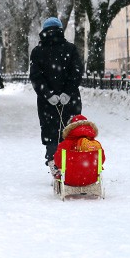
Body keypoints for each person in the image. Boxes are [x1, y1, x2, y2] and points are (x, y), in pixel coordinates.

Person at [29, 17, 83, 176]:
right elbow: (77, 73)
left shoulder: (38, 51)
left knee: (51, 131)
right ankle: (72, 163)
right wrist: (68, 92)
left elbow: (36, 77)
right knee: (71, 131)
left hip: (47, 103)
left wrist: (48, 94)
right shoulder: (70, 49)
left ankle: (54, 162)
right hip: (71, 100)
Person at [54, 114, 106, 185]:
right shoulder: (94, 144)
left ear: (70, 127)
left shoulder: (64, 144)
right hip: (91, 178)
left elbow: (58, 162)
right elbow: (101, 160)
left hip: (69, 179)